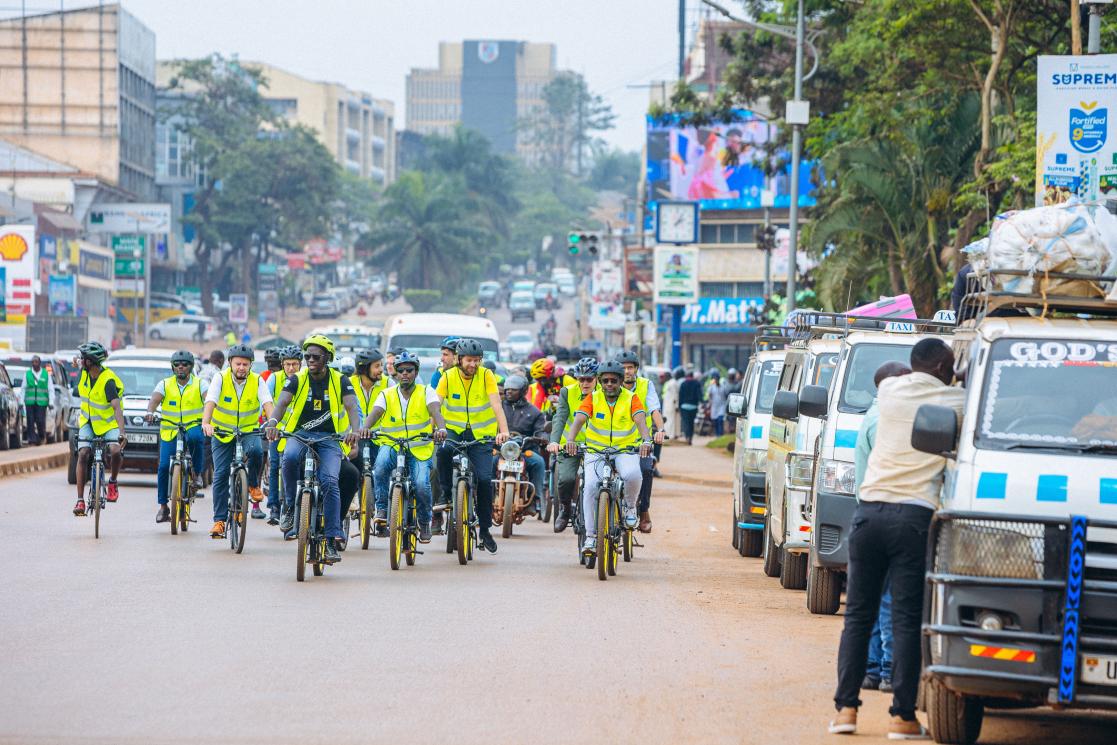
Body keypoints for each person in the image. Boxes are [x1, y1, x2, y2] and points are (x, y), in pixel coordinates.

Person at [829, 339, 965, 739]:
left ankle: (845, 713)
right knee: (906, 621)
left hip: (868, 514)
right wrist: (959, 380)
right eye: (951, 364)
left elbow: (903, 379)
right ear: (943, 366)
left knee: (857, 618)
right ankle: (902, 717)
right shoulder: (954, 400)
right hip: (913, 517)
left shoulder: (888, 391)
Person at [266, 335, 360, 563]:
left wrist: (355, 432)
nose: (310, 360)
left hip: (329, 439)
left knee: (329, 480)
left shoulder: (341, 380)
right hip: (299, 435)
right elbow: (281, 404)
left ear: (327, 357)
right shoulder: (297, 379)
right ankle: (288, 509)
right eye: (307, 356)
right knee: (288, 458)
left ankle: (331, 539)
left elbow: (351, 408)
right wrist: (272, 423)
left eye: (315, 357)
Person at [853, 361, 911, 694]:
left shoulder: (875, 416)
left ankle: (873, 669)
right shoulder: (884, 422)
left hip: (868, 513)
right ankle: (888, 670)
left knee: (874, 598)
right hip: (886, 514)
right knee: (890, 598)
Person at [564, 360, 653, 556]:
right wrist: (570, 440)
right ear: (600, 382)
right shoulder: (592, 398)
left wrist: (646, 440)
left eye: (614, 380)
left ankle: (630, 508)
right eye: (605, 381)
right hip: (596, 451)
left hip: (624, 450)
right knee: (589, 488)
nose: (609, 384)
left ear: (621, 381)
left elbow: (640, 420)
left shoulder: (632, 398)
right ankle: (590, 537)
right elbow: (579, 419)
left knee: (632, 474)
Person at [435, 337, 510, 554]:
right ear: (459, 359)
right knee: (444, 452)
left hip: (481, 436)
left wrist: (503, 432)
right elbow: (436, 405)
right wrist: (434, 429)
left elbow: (496, 404)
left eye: (477, 360)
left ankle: (485, 529)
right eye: (469, 360)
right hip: (454, 432)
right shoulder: (447, 377)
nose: (473, 365)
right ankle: (447, 494)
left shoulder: (487, 375)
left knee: (485, 480)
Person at [362, 351, 447, 543]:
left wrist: (441, 429)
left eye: (409, 370)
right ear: (396, 374)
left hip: (419, 447)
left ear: (416, 373)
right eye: (401, 371)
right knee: (381, 465)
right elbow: (375, 413)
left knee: (421, 485)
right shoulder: (386, 394)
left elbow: (436, 411)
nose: (405, 374)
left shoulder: (426, 391)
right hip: (392, 444)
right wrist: (364, 429)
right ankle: (382, 508)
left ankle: (424, 522)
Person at [201, 344, 273, 539]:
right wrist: (206, 423)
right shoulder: (220, 378)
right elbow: (211, 401)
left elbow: (267, 403)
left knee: (258, 451)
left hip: (248, 431)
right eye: (238, 364)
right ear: (230, 364)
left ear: (251, 365)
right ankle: (219, 521)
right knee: (221, 474)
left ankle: (252, 485)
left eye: (245, 364)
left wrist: (273, 423)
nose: (241, 367)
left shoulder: (257, 381)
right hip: (222, 432)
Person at [145, 350, 207, 523]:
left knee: (196, 438)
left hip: (192, 426)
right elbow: (154, 401)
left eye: (185, 364)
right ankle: (164, 507)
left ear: (191, 367)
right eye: (177, 364)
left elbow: (208, 399)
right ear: (172, 367)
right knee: (164, 466)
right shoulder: (164, 384)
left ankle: (197, 472)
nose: (181, 367)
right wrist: (150, 412)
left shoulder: (200, 384)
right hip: (170, 430)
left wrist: (208, 418)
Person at [73, 342, 128, 516]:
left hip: (108, 424)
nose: (81, 360)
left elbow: (117, 408)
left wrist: (122, 432)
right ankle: (80, 501)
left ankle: (112, 482)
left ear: (90, 361)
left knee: (115, 451)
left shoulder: (108, 381)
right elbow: (75, 362)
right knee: (82, 454)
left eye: (83, 358)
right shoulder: (84, 372)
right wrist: (76, 361)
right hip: (88, 423)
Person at [616, 351, 667, 533]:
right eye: (623, 368)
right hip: (614, 443)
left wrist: (660, 430)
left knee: (646, 469)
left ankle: (644, 511)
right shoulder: (609, 386)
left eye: (630, 367)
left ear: (636, 369)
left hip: (640, 443)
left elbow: (654, 410)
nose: (627, 371)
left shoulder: (646, 385)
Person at [547, 357, 598, 532]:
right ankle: (565, 508)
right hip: (570, 446)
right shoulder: (567, 392)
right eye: (581, 379)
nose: (585, 383)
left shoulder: (605, 393)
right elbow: (559, 418)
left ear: (596, 378)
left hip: (597, 447)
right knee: (566, 479)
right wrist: (554, 441)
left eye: (589, 379)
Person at [264, 345, 302, 525]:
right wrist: (268, 422)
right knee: (274, 465)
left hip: (298, 431)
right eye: (287, 364)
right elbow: (265, 399)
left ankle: (296, 504)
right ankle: (273, 507)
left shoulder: (305, 379)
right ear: (282, 364)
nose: (291, 368)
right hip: (277, 430)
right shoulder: (274, 378)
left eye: (295, 364)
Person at [500, 374, 548, 514]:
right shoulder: (499, 407)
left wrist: (542, 437)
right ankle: (484, 497)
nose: (509, 391)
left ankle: (535, 500)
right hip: (500, 450)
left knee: (538, 462)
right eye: (507, 389)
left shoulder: (535, 412)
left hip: (524, 450)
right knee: (488, 462)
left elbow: (540, 431)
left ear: (523, 391)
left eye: (513, 389)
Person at [23, 355, 52, 446]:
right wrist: (21, 402)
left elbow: (50, 389)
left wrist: (51, 402)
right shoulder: (27, 374)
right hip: (30, 402)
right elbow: (23, 388)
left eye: (36, 362)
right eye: (33, 362)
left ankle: (41, 437)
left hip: (42, 402)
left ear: (40, 363)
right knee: (30, 421)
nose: (35, 364)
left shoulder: (45, 374)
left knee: (40, 420)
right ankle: (32, 439)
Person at [678, 369, 703, 445]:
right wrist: (701, 402)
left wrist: (679, 406)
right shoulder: (697, 383)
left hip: (684, 407)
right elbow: (699, 395)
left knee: (686, 422)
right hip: (693, 407)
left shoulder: (683, 384)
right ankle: (690, 438)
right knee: (691, 422)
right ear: (692, 376)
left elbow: (680, 396)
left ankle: (687, 437)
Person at [661, 366, 682, 441]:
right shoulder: (668, 383)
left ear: (668, 376)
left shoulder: (673, 383)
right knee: (667, 420)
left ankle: (671, 435)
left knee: (671, 420)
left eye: (665, 376)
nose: (664, 378)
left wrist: (676, 405)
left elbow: (675, 395)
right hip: (667, 405)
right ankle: (668, 434)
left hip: (671, 405)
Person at [708, 371, 731, 437]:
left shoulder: (723, 386)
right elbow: (709, 395)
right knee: (715, 421)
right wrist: (710, 402)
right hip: (714, 406)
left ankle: (720, 434)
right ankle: (717, 434)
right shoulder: (712, 387)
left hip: (722, 406)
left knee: (720, 420)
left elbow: (727, 395)